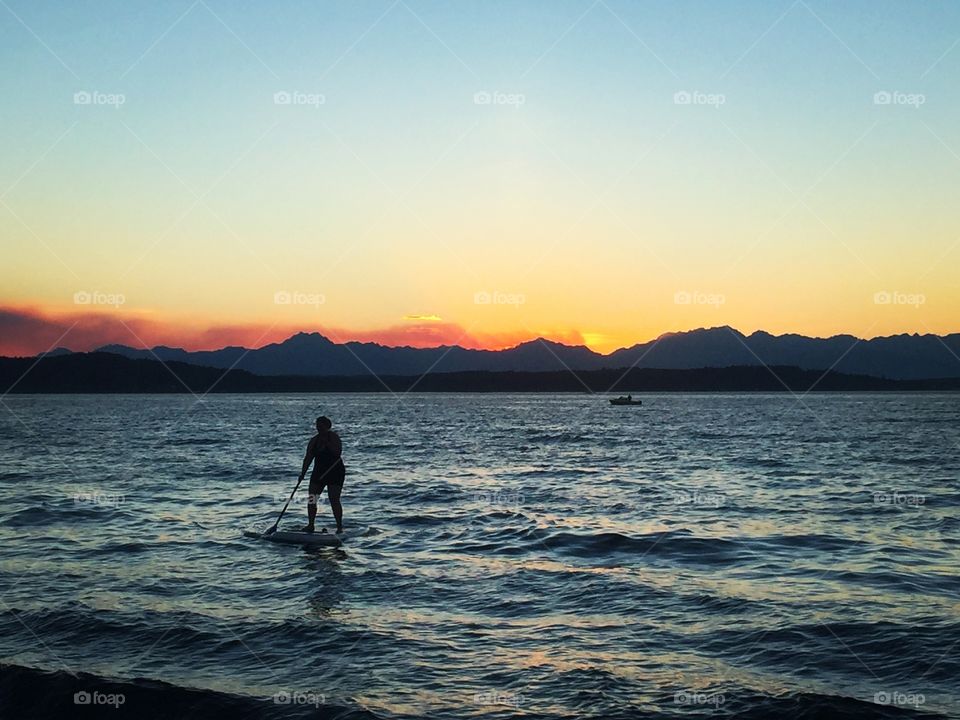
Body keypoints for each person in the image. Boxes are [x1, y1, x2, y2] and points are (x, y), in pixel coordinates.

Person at [299, 416, 345, 533]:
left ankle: (339, 527)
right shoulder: (314, 441)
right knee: (312, 498)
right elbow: (308, 458)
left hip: (335, 471)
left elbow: (337, 452)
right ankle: (311, 525)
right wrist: (303, 473)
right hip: (319, 471)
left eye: (321, 425)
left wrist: (327, 443)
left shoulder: (334, 437)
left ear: (327, 426)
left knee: (334, 499)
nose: (319, 428)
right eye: (317, 425)